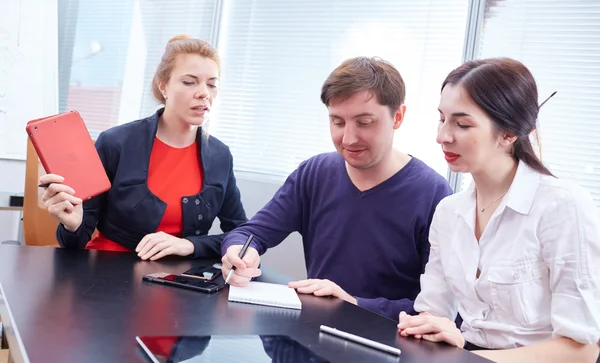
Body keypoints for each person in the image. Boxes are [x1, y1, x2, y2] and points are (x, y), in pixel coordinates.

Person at [397, 58, 600, 363]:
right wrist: (427, 327)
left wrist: (471, 358)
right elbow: (433, 309)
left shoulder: (563, 207)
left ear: (508, 133)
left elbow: (580, 352)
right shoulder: (449, 212)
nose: (442, 136)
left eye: (462, 124)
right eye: (442, 118)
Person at [221, 57, 452, 319]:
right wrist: (238, 253)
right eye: (337, 122)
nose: (348, 139)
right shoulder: (314, 173)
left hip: (392, 344)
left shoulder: (433, 194)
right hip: (316, 337)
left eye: (364, 123)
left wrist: (353, 303)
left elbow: (442, 311)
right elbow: (253, 233)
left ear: (397, 117)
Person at [40, 35, 247, 260]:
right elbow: (74, 241)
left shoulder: (221, 156)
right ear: (163, 86)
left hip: (179, 280)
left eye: (212, 84)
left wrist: (189, 245)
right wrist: (73, 225)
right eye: (189, 82)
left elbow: (242, 235)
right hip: (108, 272)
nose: (204, 93)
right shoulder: (115, 142)